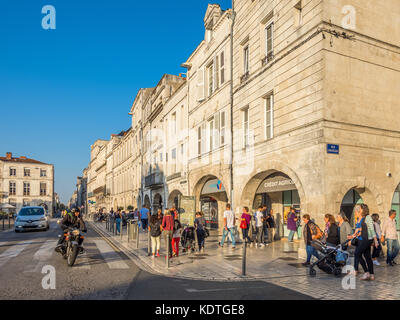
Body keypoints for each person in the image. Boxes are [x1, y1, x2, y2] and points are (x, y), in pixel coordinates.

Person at [348, 204, 378, 280]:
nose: (359, 210)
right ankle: (371, 274)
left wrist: (376, 240)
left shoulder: (368, 217)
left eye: (360, 208)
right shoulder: (364, 218)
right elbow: (361, 230)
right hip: (365, 239)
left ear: (363, 209)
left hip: (366, 240)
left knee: (357, 253)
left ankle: (363, 271)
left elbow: (372, 229)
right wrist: (353, 236)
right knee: (367, 256)